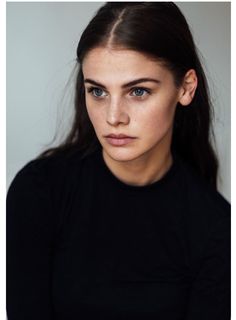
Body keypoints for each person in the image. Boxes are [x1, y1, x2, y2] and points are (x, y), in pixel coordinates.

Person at [6, 2, 230, 320]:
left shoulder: (218, 230)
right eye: (97, 92)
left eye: (138, 91)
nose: (113, 117)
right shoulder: (39, 192)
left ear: (186, 87)